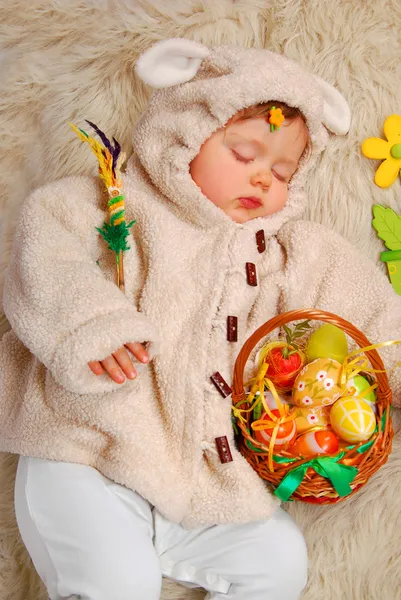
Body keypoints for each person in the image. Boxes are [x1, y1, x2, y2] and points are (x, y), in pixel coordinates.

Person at [1, 38, 400, 600]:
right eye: (244, 155)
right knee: (119, 583)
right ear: (184, 133)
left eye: (284, 171)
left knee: (280, 564)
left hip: (208, 480)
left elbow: (373, 314)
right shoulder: (118, 199)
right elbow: (43, 247)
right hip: (90, 451)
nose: (264, 178)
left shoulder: (294, 251)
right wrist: (90, 325)